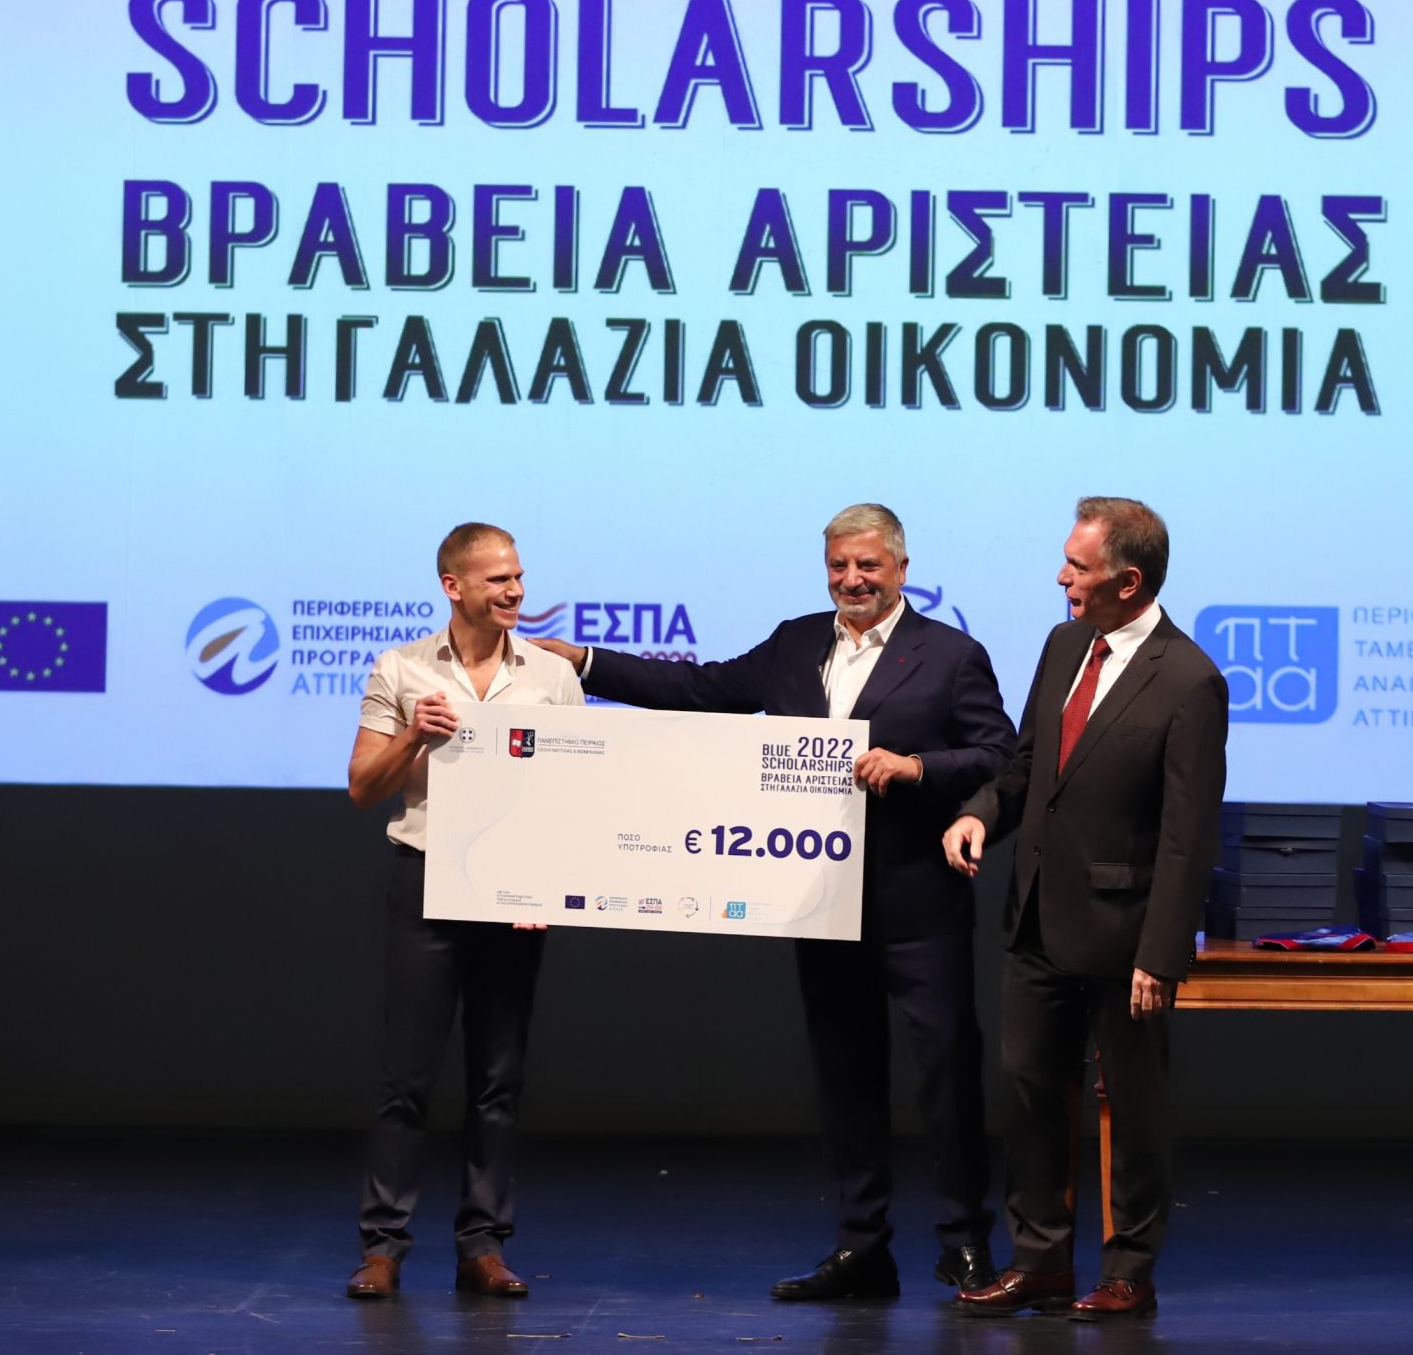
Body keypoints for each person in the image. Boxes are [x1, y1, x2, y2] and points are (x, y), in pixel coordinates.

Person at [528, 503, 1016, 1301]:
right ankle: (863, 1248)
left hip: (917, 905)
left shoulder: (952, 654)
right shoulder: (796, 642)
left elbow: (999, 754)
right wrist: (586, 662)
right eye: (839, 566)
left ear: (901, 568)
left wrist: (918, 768)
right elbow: (701, 688)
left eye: (868, 565)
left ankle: (965, 1244)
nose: (852, 580)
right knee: (846, 1079)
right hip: (818, 901)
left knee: (947, 1081)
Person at [941, 497, 1226, 1321]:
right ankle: (1040, 1262)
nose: (1061, 577)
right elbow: (1030, 766)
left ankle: (1129, 1269)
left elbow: (1187, 835)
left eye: (1078, 565)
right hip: (1036, 915)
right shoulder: (1065, 644)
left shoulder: (1190, 679)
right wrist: (981, 813)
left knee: (1133, 1109)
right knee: (1030, 1090)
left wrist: (1161, 954)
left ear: (1127, 582)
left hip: (1126, 935)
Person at [342, 523, 584, 1301]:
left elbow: (574, 797)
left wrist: (544, 886)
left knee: (497, 1079)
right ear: (454, 586)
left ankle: (483, 1245)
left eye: (518, 576)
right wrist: (415, 734)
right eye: (498, 580)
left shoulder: (551, 675)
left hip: (513, 894)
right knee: (406, 1078)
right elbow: (362, 786)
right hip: (426, 881)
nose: (515, 591)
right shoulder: (403, 667)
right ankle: (383, 1247)